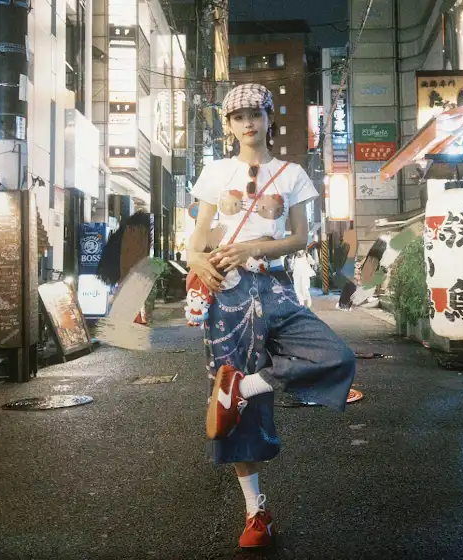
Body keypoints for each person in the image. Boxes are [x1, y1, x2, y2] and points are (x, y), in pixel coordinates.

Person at [187, 83, 355, 549]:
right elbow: (195, 242)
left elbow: (300, 237)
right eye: (238, 117)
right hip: (228, 291)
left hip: (274, 285)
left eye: (255, 115)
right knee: (238, 419)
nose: (248, 123)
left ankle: (246, 387)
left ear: (268, 119)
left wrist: (254, 248)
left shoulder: (292, 173)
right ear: (228, 126)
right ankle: (255, 513)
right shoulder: (215, 172)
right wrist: (199, 262)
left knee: (335, 355)